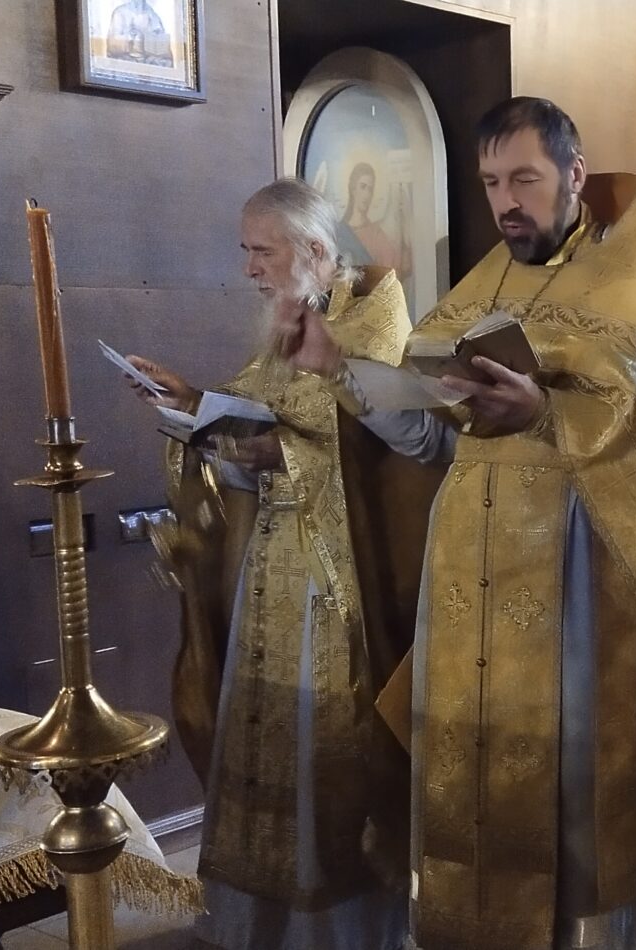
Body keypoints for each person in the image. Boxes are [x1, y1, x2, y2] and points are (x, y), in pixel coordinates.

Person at [343, 97, 636, 950]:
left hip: (583, 595)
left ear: (575, 175)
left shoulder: (632, 289)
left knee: (576, 797)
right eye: (491, 183)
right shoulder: (482, 287)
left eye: (525, 180)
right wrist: (375, 385)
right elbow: (431, 429)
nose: (506, 202)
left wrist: (546, 413)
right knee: (472, 782)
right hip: (468, 590)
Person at [126, 178, 439, 949]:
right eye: (247, 251)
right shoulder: (281, 332)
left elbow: (395, 450)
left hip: (340, 585)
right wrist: (195, 408)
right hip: (267, 571)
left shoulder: (375, 320)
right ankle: (257, 927)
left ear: (315, 250)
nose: (250, 269)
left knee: (326, 746)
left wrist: (283, 452)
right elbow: (255, 425)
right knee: (260, 739)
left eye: (262, 251)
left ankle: (337, 933)